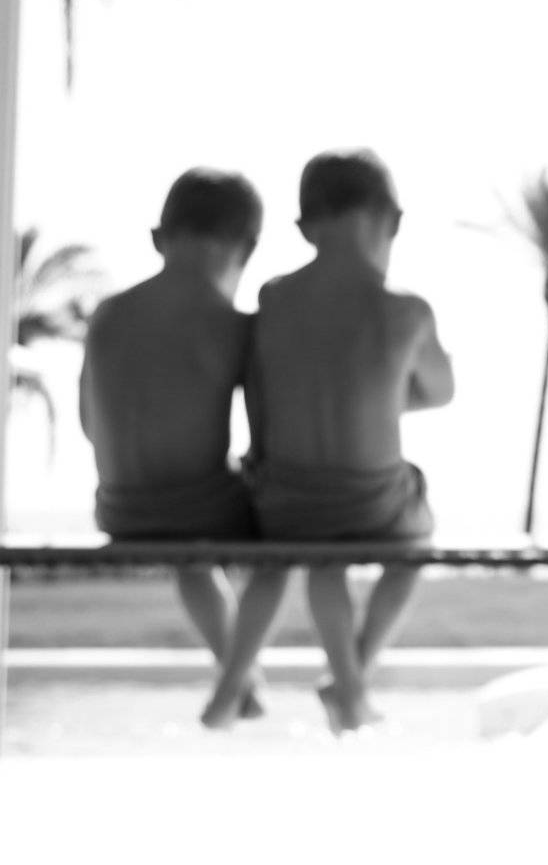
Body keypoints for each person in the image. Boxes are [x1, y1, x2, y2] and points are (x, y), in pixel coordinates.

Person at [218, 148, 454, 734]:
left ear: (304, 227)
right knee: (415, 547)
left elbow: (260, 394)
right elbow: (441, 390)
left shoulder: (273, 299)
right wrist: (382, 394)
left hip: (286, 503)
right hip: (371, 503)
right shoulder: (407, 311)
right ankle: (353, 679)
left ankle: (345, 687)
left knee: (325, 553)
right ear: (393, 222)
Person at [81, 167, 288, 727]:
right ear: (248, 249)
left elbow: (90, 424)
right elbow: (268, 439)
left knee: (191, 559)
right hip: (199, 509)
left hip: (119, 510)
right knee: (286, 545)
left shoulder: (107, 314)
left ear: (158, 238)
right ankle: (232, 684)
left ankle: (242, 684)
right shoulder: (231, 324)